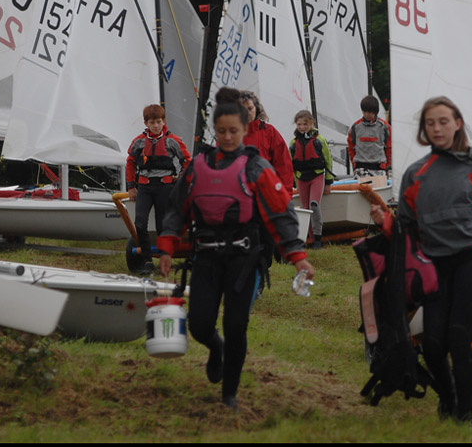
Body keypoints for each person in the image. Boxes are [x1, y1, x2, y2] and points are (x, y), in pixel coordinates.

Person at [157, 87, 313, 409]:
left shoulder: (256, 167)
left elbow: (280, 213)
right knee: (200, 324)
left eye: (234, 131)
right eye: (222, 131)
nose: (228, 137)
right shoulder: (197, 166)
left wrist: (297, 256)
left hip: (244, 258)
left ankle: (229, 392)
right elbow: (177, 209)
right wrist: (167, 247)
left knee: (236, 324)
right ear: (215, 131)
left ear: (245, 130)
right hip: (207, 257)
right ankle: (217, 348)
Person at [369, 96, 472, 424]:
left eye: (443, 121)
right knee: (433, 343)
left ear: (458, 123)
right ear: (423, 129)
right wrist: (384, 222)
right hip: (433, 266)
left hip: (471, 261)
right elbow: (405, 230)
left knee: (459, 335)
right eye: (430, 123)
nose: (437, 128)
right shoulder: (415, 173)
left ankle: (466, 414)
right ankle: (447, 398)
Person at [125, 104, 191, 273]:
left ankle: (164, 259)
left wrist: (181, 182)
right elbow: (130, 162)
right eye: (152, 122)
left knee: (163, 225)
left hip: (165, 187)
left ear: (164, 122)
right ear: (146, 123)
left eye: (159, 122)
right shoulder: (139, 141)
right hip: (145, 188)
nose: (156, 126)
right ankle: (147, 260)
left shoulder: (172, 141)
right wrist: (131, 186)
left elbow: (188, 161)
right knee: (140, 222)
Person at [289, 110, 333, 249]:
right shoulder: (293, 142)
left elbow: (328, 160)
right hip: (301, 178)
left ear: (312, 123)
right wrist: (292, 182)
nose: (302, 127)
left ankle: (318, 239)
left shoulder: (319, 140)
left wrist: (328, 182)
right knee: (306, 209)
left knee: (314, 205)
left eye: (305, 124)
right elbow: (289, 164)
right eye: (299, 124)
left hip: (317, 176)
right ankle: (310, 239)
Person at [238, 90, 295, 190]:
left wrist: (285, 197)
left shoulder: (269, 132)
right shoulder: (228, 135)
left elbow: (283, 166)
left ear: (256, 108)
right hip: (238, 195)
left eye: (250, 108)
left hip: (265, 193)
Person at [347, 95, 392, 175]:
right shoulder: (355, 127)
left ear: (375, 111)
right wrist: (354, 165)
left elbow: (389, 147)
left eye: (369, 112)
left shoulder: (384, 127)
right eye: (364, 111)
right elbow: (351, 147)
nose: (367, 114)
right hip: (360, 168)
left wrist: (387, 166)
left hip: (379, 168)